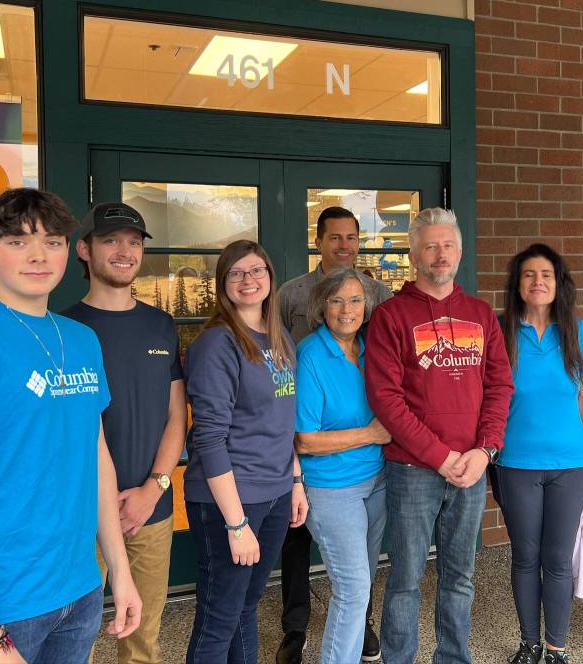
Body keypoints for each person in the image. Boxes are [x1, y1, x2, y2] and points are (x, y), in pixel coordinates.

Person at [0, 188, 142, 664]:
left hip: (78, 593)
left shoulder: (81, 340)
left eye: (53, 241)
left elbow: (94, 455)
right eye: (18, 241)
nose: (39, 255)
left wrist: (118, 569)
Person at [365, 206, 514, 664]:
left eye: (448, 244)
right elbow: (386, 398)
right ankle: (400, 658)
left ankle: (453, 657)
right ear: (413, 255)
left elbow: (500, 384)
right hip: (413, 468)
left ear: (460, 251)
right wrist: (438, 455)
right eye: (430, 245)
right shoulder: (392, 316)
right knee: (407, 577)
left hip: (470, 467)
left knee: (460, 575)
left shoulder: (480, 314)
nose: (440, 253)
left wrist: (484, 450)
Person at [63, 201, 187, 664]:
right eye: (111, 240)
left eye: (133, 243)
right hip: (80, 517)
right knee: (76, 639)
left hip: (149, 510)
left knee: (142, 639)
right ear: (84, 250)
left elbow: (177, 417)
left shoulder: (161, 324)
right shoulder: (64, 329)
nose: (124, 251)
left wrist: (154, 490)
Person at [183, 240, 309, 664]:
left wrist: (295, 482)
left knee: (246, 606)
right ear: (223, 285)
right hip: (230, 500)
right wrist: (236, 523)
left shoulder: (279, 338)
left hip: (273, 493)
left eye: (256, 270)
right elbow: (209, 438)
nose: (248, 280)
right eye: (236, 273)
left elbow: (283, 422)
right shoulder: (217, 344)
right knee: (219, 615)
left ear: (270, 278)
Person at [276, 205, 392, 664]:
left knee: (359, 583)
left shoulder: (369, 348)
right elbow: (302, 437)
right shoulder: (307, 348)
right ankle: (298, 633)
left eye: (356, 302)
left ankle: (350, 639)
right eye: (338, 302)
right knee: (352, 586)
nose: (348, 309)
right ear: (321, 307)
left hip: (376, 482)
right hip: (328, 484)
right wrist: (370, 434)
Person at [497, 244, 583, 664]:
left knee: (557, 558)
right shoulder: (500, 330)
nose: (538, 282)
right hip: (515, 461)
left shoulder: (574, 329)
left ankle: (556, 648)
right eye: (528, 275)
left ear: (559, 284)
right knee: (525, 555)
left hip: (570, 463)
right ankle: (529, 643)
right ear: (517, 284)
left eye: (546, 275)